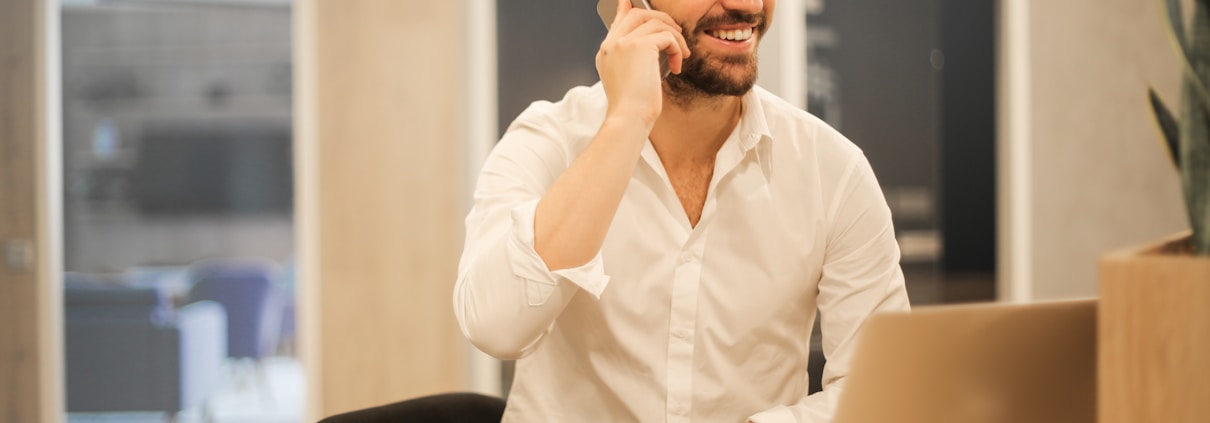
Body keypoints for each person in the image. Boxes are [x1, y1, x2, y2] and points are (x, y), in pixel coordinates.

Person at [454, 0, 910, 421]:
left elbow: (885, 393)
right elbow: (496, 328)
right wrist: (626, 120)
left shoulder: (832, 170)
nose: (748, 5)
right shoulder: (548, 141)